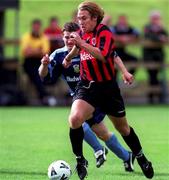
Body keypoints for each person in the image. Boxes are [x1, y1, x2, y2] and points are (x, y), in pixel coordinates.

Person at [63, 2, 154, 179]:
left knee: (123, 128)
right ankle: (80, 160)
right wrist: (68, 57)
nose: (80, 22)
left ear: (95, 18)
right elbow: (77, 46)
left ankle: (140, 156)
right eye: (78, 18)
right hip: (87, 86)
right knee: (75, 119)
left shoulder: (104, 32)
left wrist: (124, 71)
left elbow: (106, 55)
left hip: (108, 89)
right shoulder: (81, 34)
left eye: (84, 18)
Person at [39, 22, 135, 172]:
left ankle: (98, 151)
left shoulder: (89, 48)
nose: (69, 41)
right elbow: (45, 78)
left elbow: (112, 55)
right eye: (66, 37)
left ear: (79, 35)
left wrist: (124, 71)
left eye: (72, 37)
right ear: (62, 37)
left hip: (99, 94)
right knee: (103, 134)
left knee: (77, 120)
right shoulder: (58, 55)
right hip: (81, 97)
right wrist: (44, 65)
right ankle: (126, 156)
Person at [21, 19, 50, 105]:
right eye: (35, 27)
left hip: (40, 62)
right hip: (28, 63)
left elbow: (45, 52)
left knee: (37, 73)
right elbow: (25, 52)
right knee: (36, 74)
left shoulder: (44, 37)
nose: (36, 29)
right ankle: (44, 95)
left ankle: (43, 96)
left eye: (38, 27)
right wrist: (38, 50)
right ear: (32, 27)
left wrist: (31, 50)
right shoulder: (26, 37)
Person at [143, 10, 168, 104]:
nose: (156, 20)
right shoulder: (147, 27)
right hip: (149, 57)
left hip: (159, 57)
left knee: (161, 77)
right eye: (154, 18)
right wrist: (159, 38)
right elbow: (150, 36)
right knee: (152, 76)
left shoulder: (161, 28)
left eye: (157, 18)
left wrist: (161, 33)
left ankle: (160, 98)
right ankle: (152, 98)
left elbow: (166, 36)